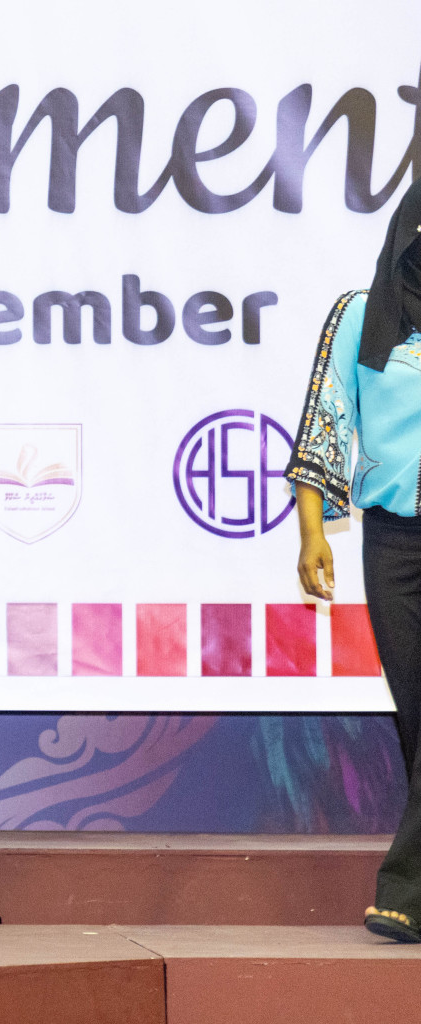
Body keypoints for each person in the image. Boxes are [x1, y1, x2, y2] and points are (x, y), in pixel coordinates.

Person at [289, 177, 421, 944]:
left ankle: (403, 890)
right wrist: (313, 533)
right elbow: (324, 426)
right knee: (415, 717)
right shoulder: (360, 317)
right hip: (394, 542)